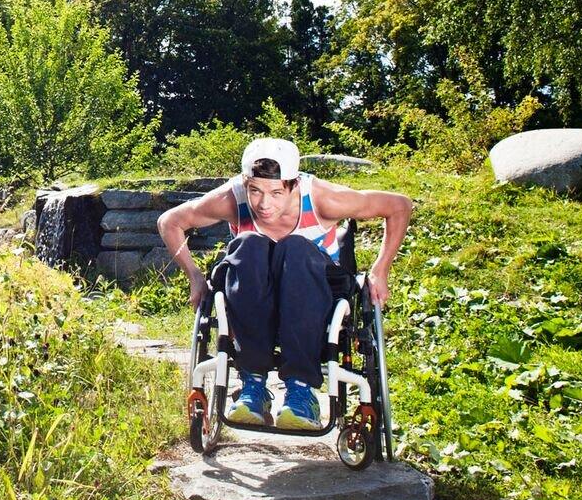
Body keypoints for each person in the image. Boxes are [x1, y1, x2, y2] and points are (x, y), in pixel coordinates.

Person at [156, 138, 412, 430]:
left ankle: (301, 391)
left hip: (312, 288)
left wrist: (381, 269)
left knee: (295, 247)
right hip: (254, 293)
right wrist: (195, 277)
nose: (264, 204)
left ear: (293, 184)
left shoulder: (323, 198)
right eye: (255, 191)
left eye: (276, 193)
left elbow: (399, 206)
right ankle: (253, 387)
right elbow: (170, 221)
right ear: (245, 183)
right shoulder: (232, 197)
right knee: (248, 244)